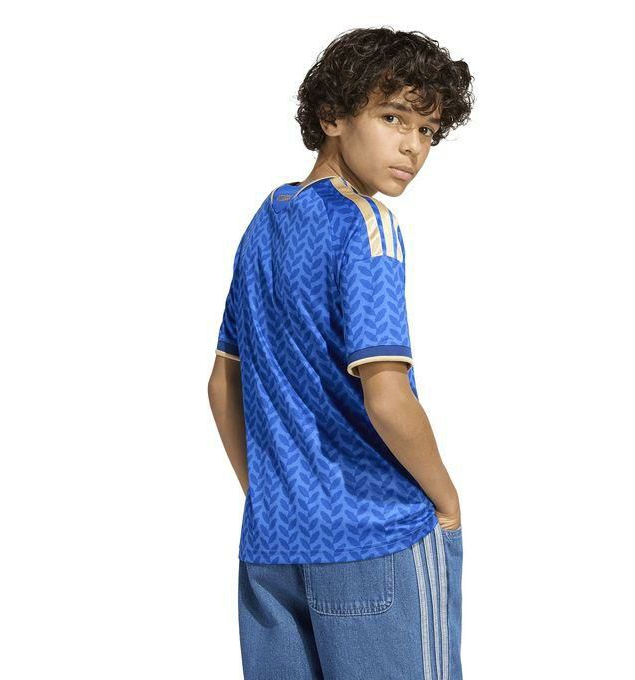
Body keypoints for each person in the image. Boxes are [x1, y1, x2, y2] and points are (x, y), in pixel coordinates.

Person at [207, 26, 474, 680]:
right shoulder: (366, 226)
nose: (413, 146)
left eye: (429, 131)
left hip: (272, 542)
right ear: (331, 115)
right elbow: (386, 396)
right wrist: (445, 501)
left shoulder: (265, 221)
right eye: (393, 118)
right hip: (374, 535)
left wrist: (271, 495)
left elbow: (220, 385)